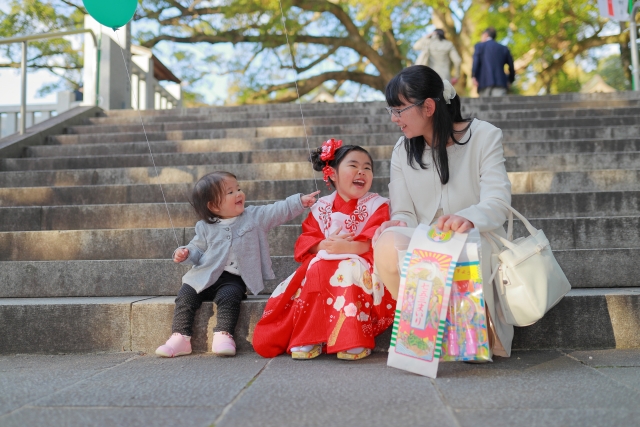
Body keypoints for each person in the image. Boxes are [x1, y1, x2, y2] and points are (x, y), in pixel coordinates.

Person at [373, 65, 514, 358]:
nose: (394, 119)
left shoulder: (484, 135)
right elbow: (404, 213)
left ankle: (467, 335)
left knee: (461, 246)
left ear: (428, 107)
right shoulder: (402, 150)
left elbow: (498, 203)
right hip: (427, 242)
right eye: (391, 110)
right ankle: (425, 331)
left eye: (399, 110)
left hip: (476, 238)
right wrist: (396, 222)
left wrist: (467, 217)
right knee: (387, 244)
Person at [253, 140, 396, 361]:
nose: (362, 171)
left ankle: (352, 337)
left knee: (347, 268)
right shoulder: (322, 207)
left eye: (367, 167)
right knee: (316, 266)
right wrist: (325, 245)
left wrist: (347, 248)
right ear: (332, 174)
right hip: (326, 260)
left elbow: (375, 239)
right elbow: (308, 238)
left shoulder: (378, 204)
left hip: (362, 261)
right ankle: (309, 336)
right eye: (353, 165)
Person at [156, 171, 319, 358]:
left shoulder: (254, 217)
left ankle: (223, 334)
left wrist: (299, 202)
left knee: (230, 296)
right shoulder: (204, 227)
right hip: (203, 275)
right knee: (186, 294)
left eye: (238, 189)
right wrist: (185, 253)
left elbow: (275, 210)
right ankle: (180, 337)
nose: (239, 194)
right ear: (213, 205)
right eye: (230, 192)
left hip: (233, 278)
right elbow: (196, 248)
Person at [471, 27, 515, 97]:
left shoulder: (479, 46)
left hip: (483, 82)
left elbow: (476, 62)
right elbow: (511, 65)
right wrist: (510, 80)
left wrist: (473, 76)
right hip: (500, 82)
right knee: (499, 106)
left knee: (484, 105)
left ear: (486, 34)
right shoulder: (503, 48)